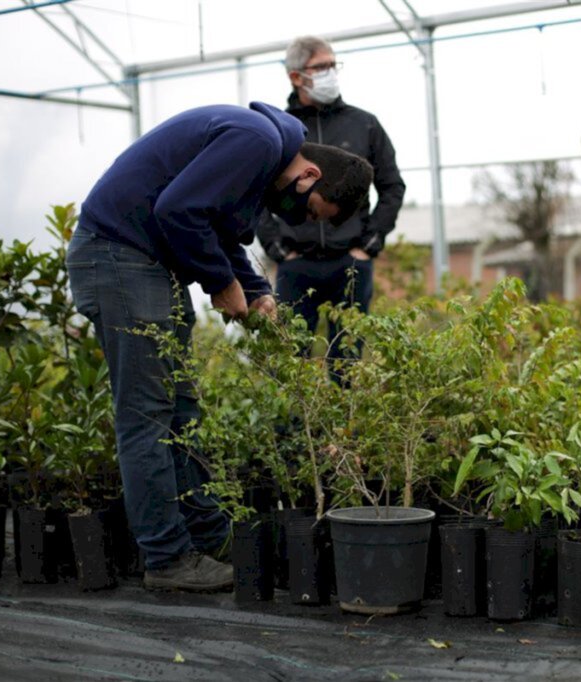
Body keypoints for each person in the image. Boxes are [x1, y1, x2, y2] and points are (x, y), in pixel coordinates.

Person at [66, 102, 372, 592]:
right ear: (309, 174)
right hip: (117, 256)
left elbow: (213, 225)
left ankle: (208, 538)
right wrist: (219, 283)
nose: (301, 218)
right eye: (312, 208)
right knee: (148, 413)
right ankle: (166, 559)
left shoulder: (262, 151)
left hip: (141, 262)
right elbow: (178, 211)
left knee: (182, 409)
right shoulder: (258, 140)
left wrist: (254, 289)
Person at [258, 36, 405, 368]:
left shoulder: (365, 124)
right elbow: (257, 192)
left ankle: (345, 423)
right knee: (290, 362)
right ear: (296, 76)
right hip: (297, 264)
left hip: (351, 262)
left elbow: (392, 185)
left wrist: (371, 241)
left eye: (332, 65)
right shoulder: (281, 129)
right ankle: (294, 424)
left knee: (346, 363)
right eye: (321, 66)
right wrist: (277, 248)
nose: (330, 73)